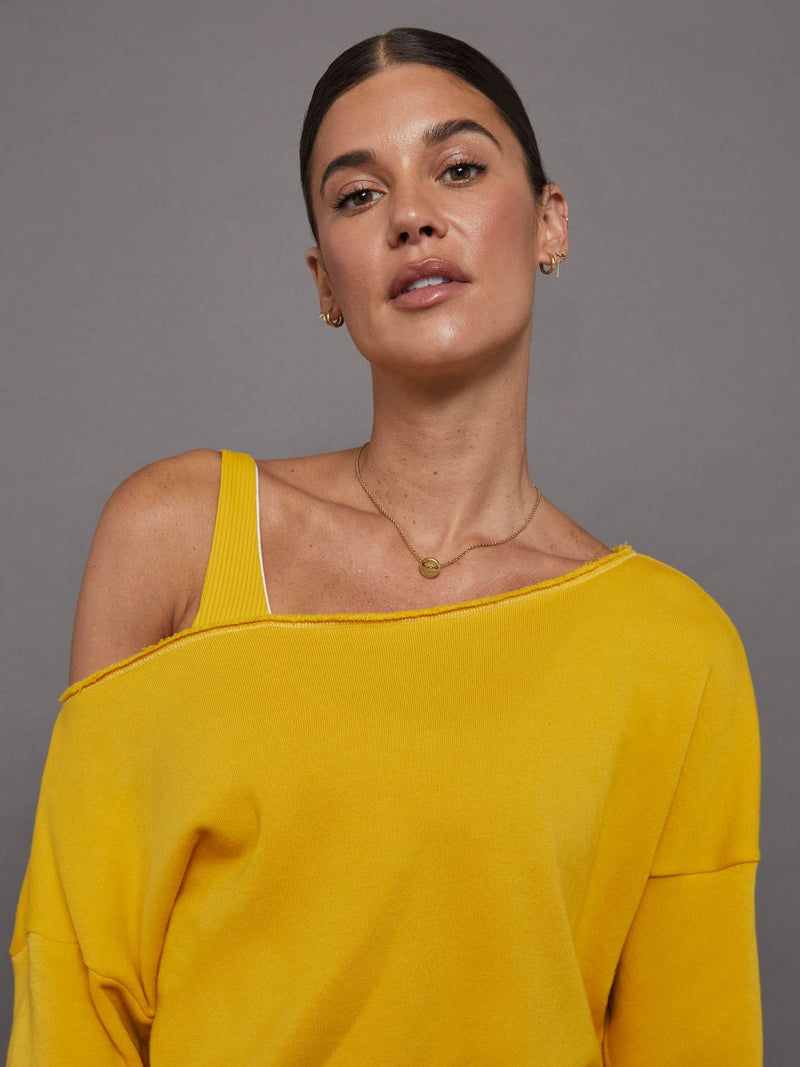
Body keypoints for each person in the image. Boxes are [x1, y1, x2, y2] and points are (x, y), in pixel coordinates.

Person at [7, 27, 761, 1066]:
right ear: (326, 280)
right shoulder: (180, 536)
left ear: (549, 222)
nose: (412, 216)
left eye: (458, 169)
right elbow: (73, 986)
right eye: (359, 195)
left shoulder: (675, 647)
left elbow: (691, 1040)